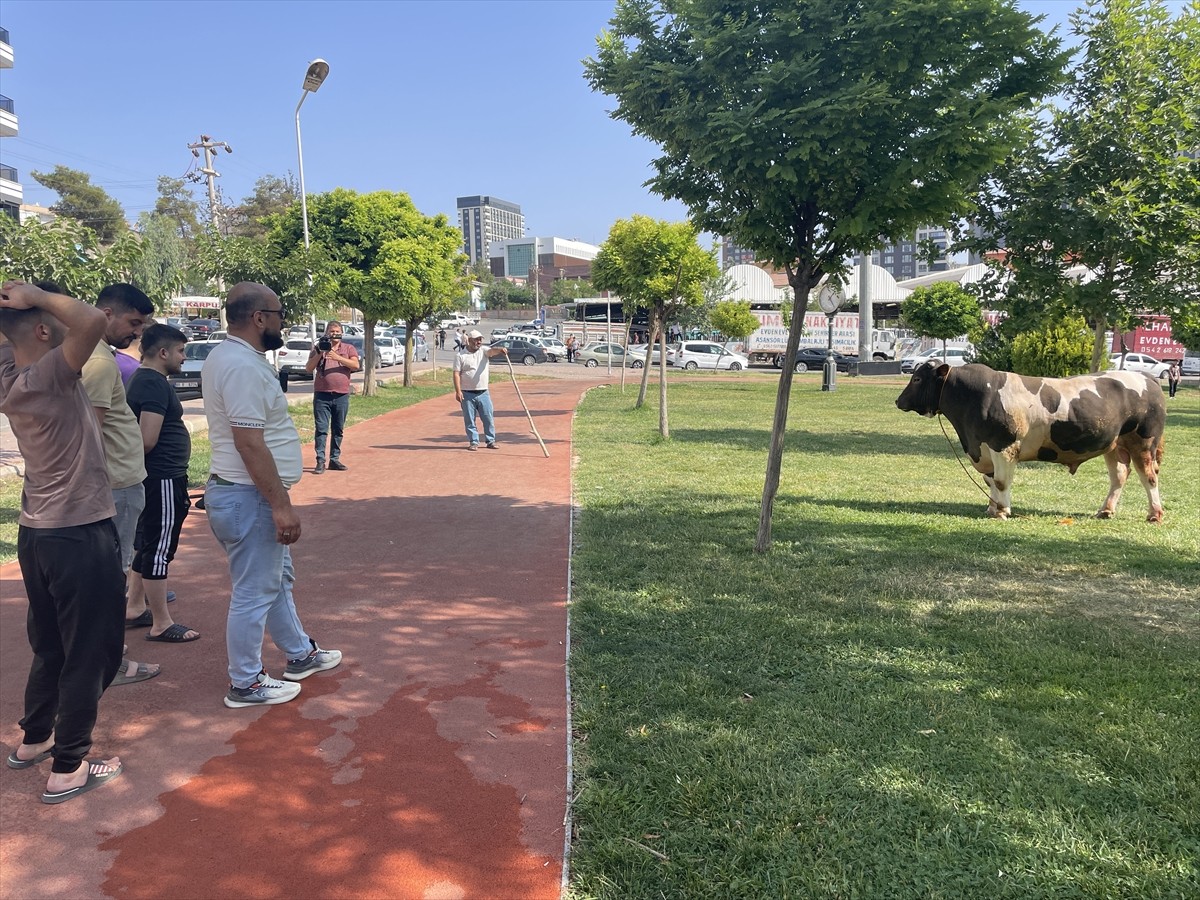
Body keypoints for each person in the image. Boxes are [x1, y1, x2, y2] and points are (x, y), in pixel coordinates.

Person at [0, 280, 126, 804]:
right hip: (78, 533)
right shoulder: (47, 374)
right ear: (46, 330)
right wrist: (35, 293)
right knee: (92, 652)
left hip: (39, 534)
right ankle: (69, 766)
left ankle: (35, 740)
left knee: (51, 643)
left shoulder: (7, 375)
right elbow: (94, 321)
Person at [204, 282, 342, 708]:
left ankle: (299, 654)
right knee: (254, 590)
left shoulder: (232, 357)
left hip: (245, 495)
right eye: (279, 314)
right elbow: (250, 443)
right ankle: (245, 683)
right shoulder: (241, 365)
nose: (284, 322)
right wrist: (280, 506)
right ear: (259, 318)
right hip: (250, 497)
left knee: (275, 582)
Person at [81, 284, 163, 680]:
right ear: (107, 313)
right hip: (115, 487)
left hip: (118, 484)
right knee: (110, 578)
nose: (136, 332)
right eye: (133, 322)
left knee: (109, 576)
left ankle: (105, 657)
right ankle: (108, 663)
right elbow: (91, 433)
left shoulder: (97, 356)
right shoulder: (97, 362)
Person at [124, 323, 199, 643]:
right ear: (164, 352)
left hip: (158, 476)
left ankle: (134, 606)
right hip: (163, 477)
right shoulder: (153, 383)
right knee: (159, 548)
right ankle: (161, 622)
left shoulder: (147, 379)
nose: (184, 357)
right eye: (181, 351)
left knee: (147, 542)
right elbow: (147, 438)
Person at [303, 321, 359, 474]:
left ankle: (334, 459)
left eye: (337, 331)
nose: (334, 334)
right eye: (331, 331)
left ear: (341, 333)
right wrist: (321, 352)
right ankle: (320, 460)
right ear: (327, 333)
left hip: (341, 395)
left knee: (338, 429)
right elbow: (308, 368)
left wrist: (337, 357)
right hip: (322, 395)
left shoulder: (348, 348)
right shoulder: (318, 348)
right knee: (321, 429)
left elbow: (355, 365)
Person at [452, 329, 507, 451]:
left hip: (483, 392)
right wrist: (458, 391)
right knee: (469, 419)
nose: (479, 342)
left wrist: (500, 350)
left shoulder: (483, 351)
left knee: (488, 418)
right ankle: (473, 441)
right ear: (469, 341)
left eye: (480, 339)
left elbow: (492, 351)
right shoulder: (460, 356)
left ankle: (490, 440)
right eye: (476, 340)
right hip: (467, 393)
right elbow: (456, 374)